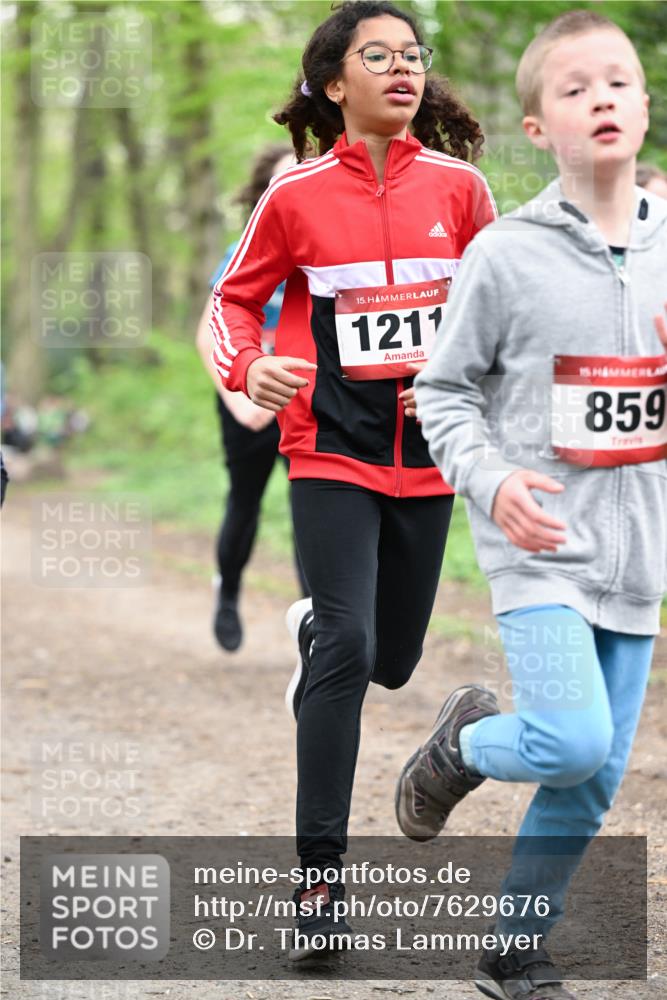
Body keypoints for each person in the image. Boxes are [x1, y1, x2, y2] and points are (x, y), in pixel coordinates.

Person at [209, 0, 497, 959]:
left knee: (393, 660)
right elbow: (231, 303)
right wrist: (248, 368)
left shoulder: (461, 191)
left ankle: (326, 634)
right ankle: (321, 893)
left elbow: (501, 319)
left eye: (412, 55)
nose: (402, 68)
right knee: (345, 650)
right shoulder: (294, 197)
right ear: (334, 84)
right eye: (377, 56)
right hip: (330, 446)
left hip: (429, 458)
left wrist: (470, 394)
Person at [397, 10, 667, 999]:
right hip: (538, 543)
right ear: (535, 129)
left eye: (619, 81)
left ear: (643, 106)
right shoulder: (505, 255)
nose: (601, 97)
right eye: (574, 88)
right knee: (568, 739)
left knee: (589, 778)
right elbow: (440, 391)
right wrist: (495, 478)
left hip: (640, 551)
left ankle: (512, 946)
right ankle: (461, 745)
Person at [196, 145, 308, 652]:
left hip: (306, 394)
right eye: (283, 181)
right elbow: (209, 333)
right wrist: (242, 402)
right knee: (246, 500)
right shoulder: (245, 247)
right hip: (246, 391)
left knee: (314, 504)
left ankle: (319, 627)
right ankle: (228, 591)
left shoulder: (330, 245)